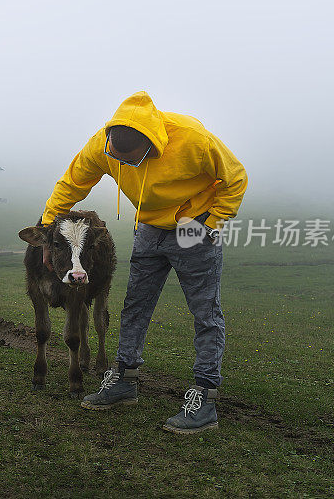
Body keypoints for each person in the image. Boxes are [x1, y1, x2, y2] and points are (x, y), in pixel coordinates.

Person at [39, 91, 247, 434]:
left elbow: (235, 177)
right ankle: (124, 379)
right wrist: (48, 228)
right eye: (119, 159)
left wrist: (211, 224)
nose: (127, 165)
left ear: (152, 145)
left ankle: (205, 398)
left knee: (205, 312)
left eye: (134, 159)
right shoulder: (101, 145)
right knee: (135, 305)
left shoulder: (194, 140)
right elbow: (71, 184)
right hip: (149, 226)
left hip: (193, 225)